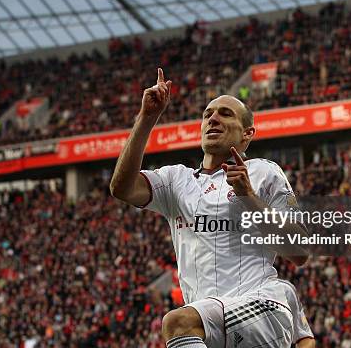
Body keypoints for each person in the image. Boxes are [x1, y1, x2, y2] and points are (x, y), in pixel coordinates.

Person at [110, 68, 309, 348]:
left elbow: (300, 252)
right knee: (184, 324)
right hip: (210, 325)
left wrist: (248, 196)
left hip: (261, 305)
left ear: (247, 134)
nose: (213, 118)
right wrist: (146, 118)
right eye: (207, 114)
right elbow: (121, 188)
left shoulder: (264, 172)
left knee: (177, 322)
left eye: (225, 114)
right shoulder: (176, 180)